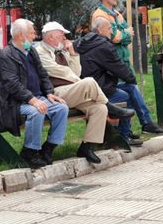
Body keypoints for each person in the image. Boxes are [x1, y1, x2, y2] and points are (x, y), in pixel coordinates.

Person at [36, 21, 135, 163]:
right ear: (51, 37)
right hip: (55, 94)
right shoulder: (40, 52)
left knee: (99, 108)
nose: (64, 38)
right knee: (88, 82)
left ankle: (87, 147)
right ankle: (110, 107)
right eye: (61, 35)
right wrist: (79, 82)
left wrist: (73, 54)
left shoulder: (62, 50)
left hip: (72, 91)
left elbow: (77, 72)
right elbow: (61, 72)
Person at [75, 17, 163, 146]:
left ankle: (146, 123)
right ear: (100, 30)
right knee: (126, 95)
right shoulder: (103, 45)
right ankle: (124, 135)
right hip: (97, 90)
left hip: (91, 86)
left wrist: (131, 81)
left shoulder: (82, 42)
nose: (111, 31)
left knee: (130, 87)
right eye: (109, 28)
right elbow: (119, 67)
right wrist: (132, 79)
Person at [0, 19, 68, 169]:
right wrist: (32, 100)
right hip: (15, 103)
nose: (35, 36)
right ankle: (30, 152)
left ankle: (48, 148)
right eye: (32, 33)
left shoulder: (31, 51)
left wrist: (49, 93)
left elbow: (42, 74)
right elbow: (12, 84)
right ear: (21, 36)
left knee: (61, 108)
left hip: (36, 97)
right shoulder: (6, 55)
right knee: (36, 111)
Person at [92, 0, 134, 70]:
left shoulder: (117, 14)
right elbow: (114, 38)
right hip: (111, 61)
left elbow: (130, 37)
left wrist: (123, 35)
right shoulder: (99, 15)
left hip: (124, 59)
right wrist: (126, 33)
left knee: (131, 82)